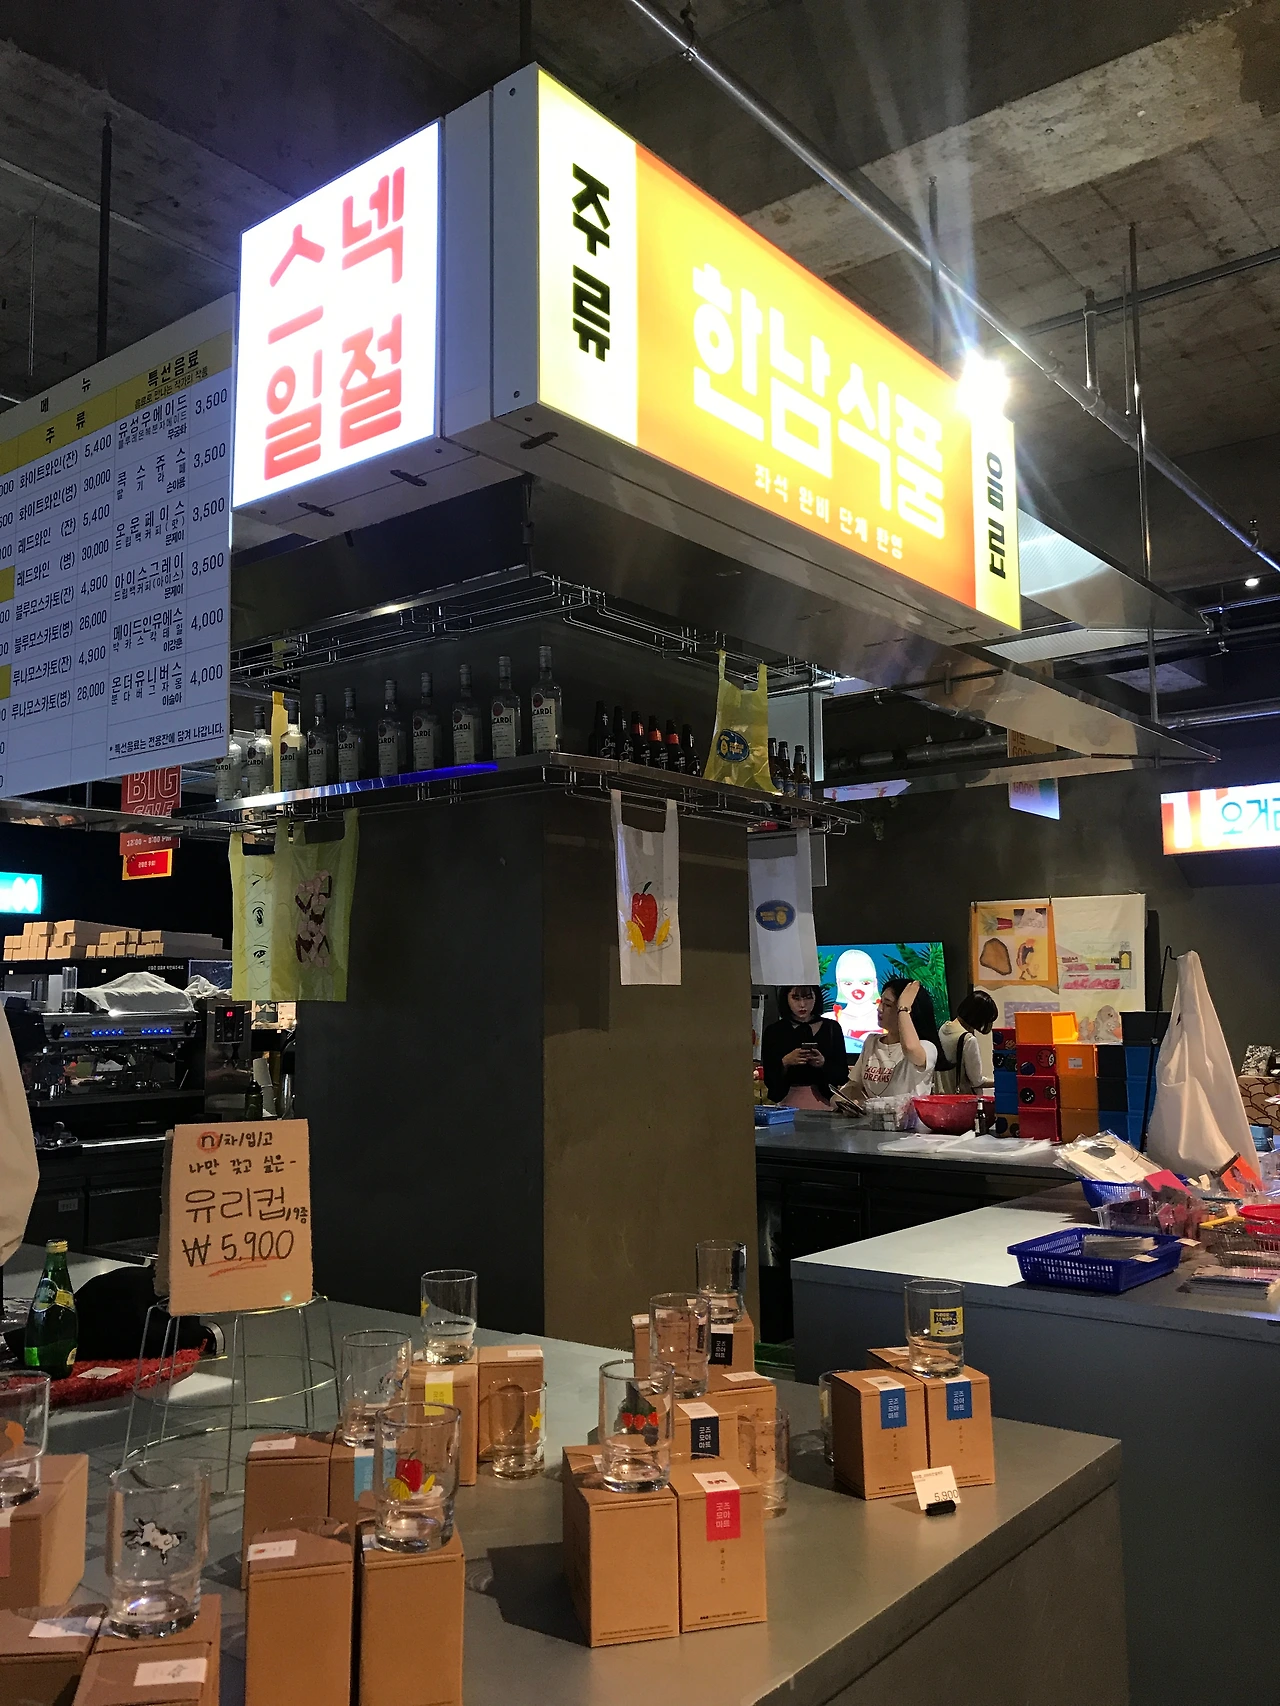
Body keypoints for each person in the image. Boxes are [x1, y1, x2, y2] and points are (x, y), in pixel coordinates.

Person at [832, 976, 939, 1108]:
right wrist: (845, 1100)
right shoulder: (871, 1042)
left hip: (909, 1120)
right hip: (874, 1119)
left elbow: (910, 1048)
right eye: (880, 1002)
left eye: (888, 1005)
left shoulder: (926, 1047)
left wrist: (903, 1008)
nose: (879, 1009)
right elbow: (854, 1084)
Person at [761, 986, 849, 1110]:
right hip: (787, 1101)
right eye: (795, 998)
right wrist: (785, 1062)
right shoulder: (774, 1031)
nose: (802, 1004)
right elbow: (769, 1077)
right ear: (786, 998)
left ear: (816, 998)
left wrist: (823, 1063)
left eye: (808, 998)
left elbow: (842, 1074)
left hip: (826, 1100)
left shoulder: (831, 1028)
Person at [937, 990, 998, 1094]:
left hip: (942, 1097)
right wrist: (1001, 1081)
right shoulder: (968, 1039)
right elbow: (977, 1081)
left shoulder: (943, 1029)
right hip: (963, 1100)